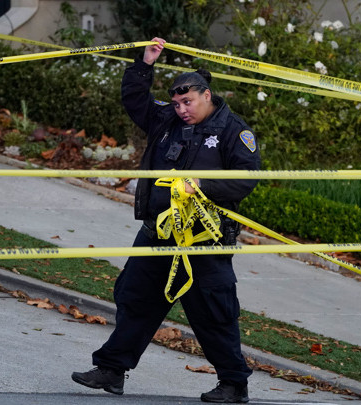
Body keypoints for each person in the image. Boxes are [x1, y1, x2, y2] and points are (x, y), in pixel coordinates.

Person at [71, 37, 261, 403]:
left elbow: (247, 178)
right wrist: (144, 64)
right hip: (158, 233)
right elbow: (135, 101)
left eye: (187, 102)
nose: (181, 109)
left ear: (206, 95)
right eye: (176, 103)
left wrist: (201, 185)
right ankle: (112, 370)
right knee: (136, 298)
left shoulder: (234, 131)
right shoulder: (166, 121)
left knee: (213, 313)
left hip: (204, 240)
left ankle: (234, 384)